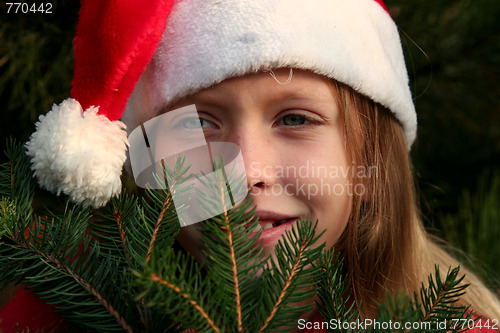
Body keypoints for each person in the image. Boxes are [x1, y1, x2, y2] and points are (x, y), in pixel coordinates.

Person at [1, 0, 499, 332]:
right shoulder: (57, 316)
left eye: (296, 118)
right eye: (197, 125)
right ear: (145, 164)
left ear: (369, 162)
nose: (245, 171)